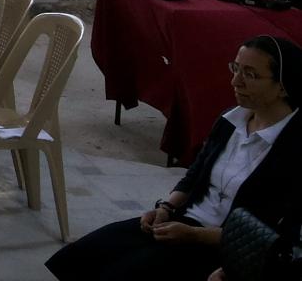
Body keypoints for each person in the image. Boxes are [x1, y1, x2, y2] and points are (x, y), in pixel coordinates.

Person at [46, 35, 302, 281]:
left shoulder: (293, 146)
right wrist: (166, 207)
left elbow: (271, 233)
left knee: (123, 273)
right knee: (84, 254)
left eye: (250, 74)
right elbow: (194, 176)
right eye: (236, 68)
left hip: (227, 246)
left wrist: (195, 235)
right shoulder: (231, 120)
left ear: (282, 86)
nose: (236, 81)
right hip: (183, 222)